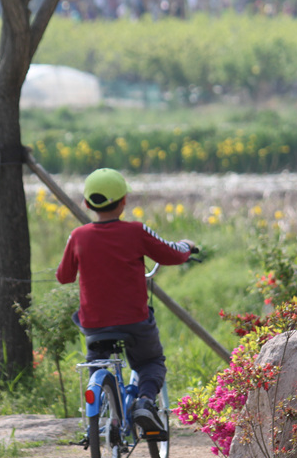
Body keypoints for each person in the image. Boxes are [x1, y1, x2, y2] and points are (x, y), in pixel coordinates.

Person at [56, 168, 195, 436]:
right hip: (135, 320)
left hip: (95, 324)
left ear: (86, 204)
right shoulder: (136, 232)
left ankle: (108, 415)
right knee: (151, 362)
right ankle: (144, 402)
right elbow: (171, 254)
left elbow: (64, 277)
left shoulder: (78, 236)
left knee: (97, 361)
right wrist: (186, 246)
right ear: (124, 201)